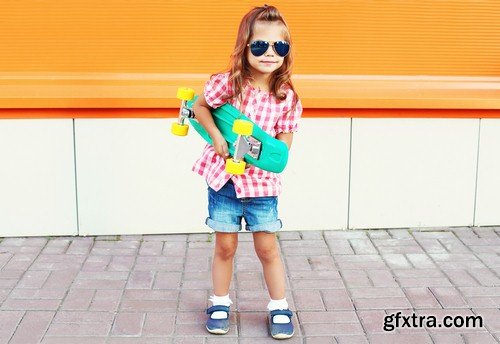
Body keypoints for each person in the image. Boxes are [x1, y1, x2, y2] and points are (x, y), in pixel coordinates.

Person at [191, 4, 302, 340]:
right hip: (224, 181)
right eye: (260, 45)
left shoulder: (287, 98)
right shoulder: (228, 85)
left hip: (262, 187)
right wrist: (215, 136)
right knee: (225, 246)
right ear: (245, 46)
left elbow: (280, 153)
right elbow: (199, 107)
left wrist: (256, 154)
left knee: (267, 248)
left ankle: (279, 305)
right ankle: (220, 301)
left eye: (279, 47)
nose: (270, 53)